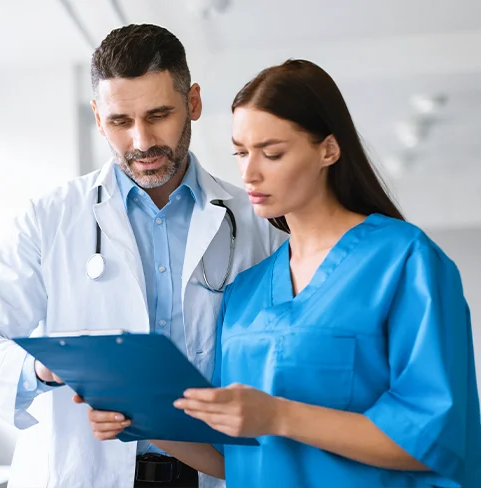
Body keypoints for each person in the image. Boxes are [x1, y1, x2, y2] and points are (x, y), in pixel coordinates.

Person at [84, 59, 481, 487]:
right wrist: (140, 417)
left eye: (272, 153)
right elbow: (229, 457)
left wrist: (279, 415)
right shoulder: (246, 290)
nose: (249, 173)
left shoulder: (403, 260)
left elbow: (436, 436)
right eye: (241, 152)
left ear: (328, 149)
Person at [0, 24, 284, 488]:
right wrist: (44, 367)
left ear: (194, 103)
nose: (141, 142)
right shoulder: (50, 218)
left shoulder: (258, 222)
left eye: (159, 115)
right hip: (86, 471)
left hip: (215, 473)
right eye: (121, 122)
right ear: (99, 118)